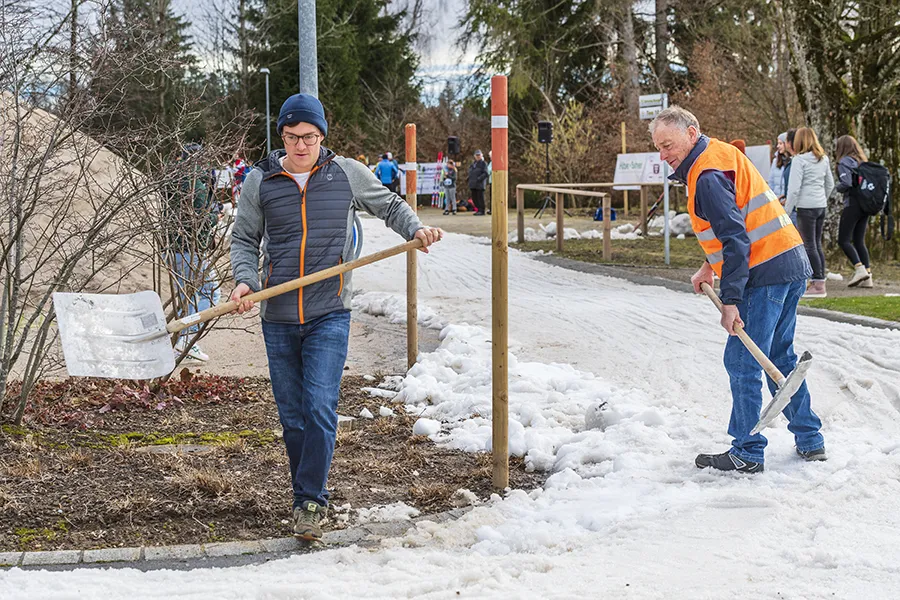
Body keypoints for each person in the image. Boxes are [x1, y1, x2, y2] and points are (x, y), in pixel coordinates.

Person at [229, 93, 443, 542]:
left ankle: (310, 502)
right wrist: (246, 281)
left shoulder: (345, 173)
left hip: (330, 311)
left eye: (308, 137)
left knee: (320, 407)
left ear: (322, 136)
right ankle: (305, 492)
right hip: (278, 313)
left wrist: (415, 229)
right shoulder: (261, 180)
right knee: (293, 416)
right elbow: (245, 238)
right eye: (291, 137)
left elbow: (389, 205)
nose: (300, 146)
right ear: (281, 137)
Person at [650, 105, 826, 473]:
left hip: (765, 272)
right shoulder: (720, 154)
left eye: (668, 145)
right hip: (789, 261)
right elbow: (735, 224)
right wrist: (706, 267)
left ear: (691, 133)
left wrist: (730, 301)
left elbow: (736, 241)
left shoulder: (707, 174)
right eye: (659, 148)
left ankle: (747, 451)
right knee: (778, 358)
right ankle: (810, 439)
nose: (663, 155)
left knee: (742, 360)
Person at [164, 142, 221, 362]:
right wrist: (215, 217)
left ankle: (181, 341)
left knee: (188, 297)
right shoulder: (195, 184)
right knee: (211, 292)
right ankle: (186, 341)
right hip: (190, 249)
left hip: (172, 247)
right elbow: (199, 219)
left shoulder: (172, 179)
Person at [784, 127, 835, 299]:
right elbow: (830, 184)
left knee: (809, 245)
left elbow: (794, 190)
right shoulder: (823, 159)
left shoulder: (799, 160)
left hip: (806, 207)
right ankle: (819, 281)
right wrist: (822, 199)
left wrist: (786, 211)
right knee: (816, 244)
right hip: (820, 206)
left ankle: (818, 283)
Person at [834, 135, 873, 288]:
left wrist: (836, 187)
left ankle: (859, 268)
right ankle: (868, 276)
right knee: (859, 241)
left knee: (843, 240)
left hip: (852, 204)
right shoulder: (862, 162)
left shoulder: (844, 162)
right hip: (865, 205)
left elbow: (846, 183)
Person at [467, 149, 489, 215]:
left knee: (480, 198)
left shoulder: (483, 163)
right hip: (473, 184)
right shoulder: (473, 164)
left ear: (481, 155)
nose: (478, 156)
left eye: (479, 155)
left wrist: (479, 179)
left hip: (479, 184)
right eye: (476, 155)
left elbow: (485, 173)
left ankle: (481, 210)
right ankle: (478, 209)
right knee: (474, 198)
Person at [768, 132, 789, 200]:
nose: (778, 146)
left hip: (788, 202)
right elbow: (771, 182)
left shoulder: (794, 161)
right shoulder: (775, 161)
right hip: (777, 201)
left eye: (780, 143)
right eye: (778, 143)